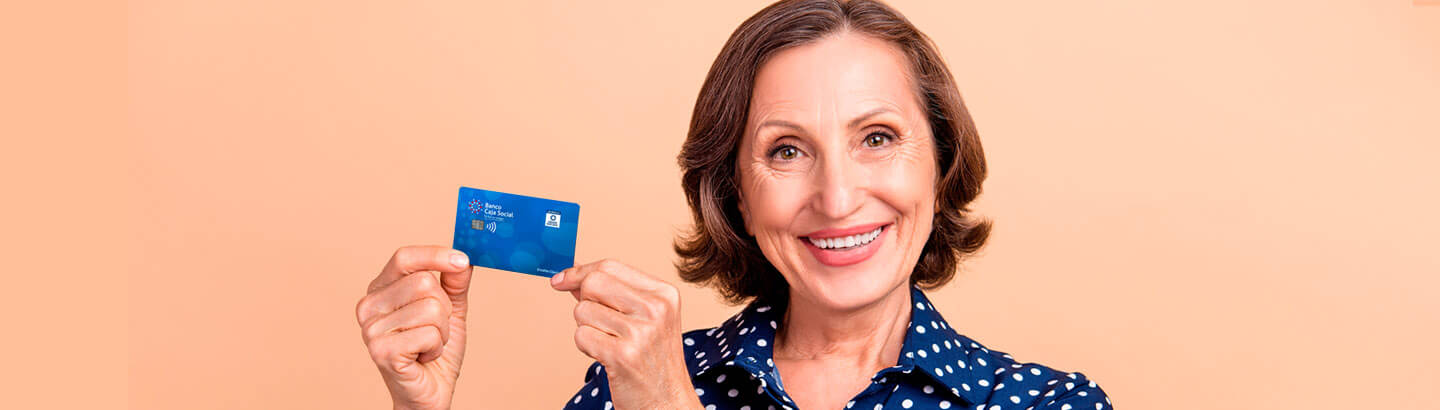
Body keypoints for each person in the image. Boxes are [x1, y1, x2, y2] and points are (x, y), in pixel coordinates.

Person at [355, 0, 1112, 409]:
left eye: (878, 137)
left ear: (941, 168)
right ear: (736, 196)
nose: (839, 196)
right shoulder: (628, 383)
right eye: (786, 150)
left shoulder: (1045, 404)